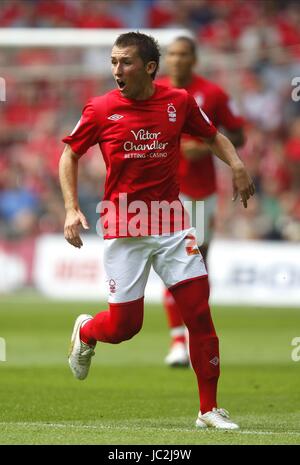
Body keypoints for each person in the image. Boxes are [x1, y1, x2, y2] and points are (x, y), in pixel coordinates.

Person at [59, 32, 255, 430]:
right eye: (113, 62)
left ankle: (208, 409)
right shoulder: (99, 109)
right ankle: (87, 331)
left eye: (125, 62)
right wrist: (70, 207)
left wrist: (236, 165)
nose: (117, 70)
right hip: (124, 224)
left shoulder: (179, 102)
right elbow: (70, 153)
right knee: (125, 327)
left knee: (199, 313)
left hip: (171, 222)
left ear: (149, 67)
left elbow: (213, 135)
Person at [157, 36, 246, 367]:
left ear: (194, 59)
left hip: (201, 191)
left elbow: (238, 134)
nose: (177, 60)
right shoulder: (154, 91)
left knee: (196, 266)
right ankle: (178, 341)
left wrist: (208, 144)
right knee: (171, 260)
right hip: (164, 190)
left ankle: (194, 336)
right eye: (173, 54)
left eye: (184, 55)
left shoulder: (214, 94)